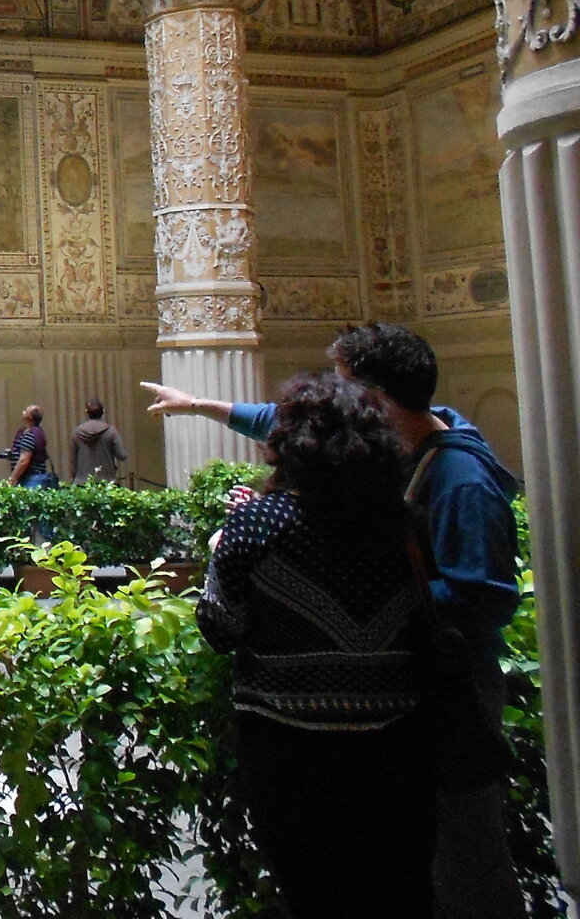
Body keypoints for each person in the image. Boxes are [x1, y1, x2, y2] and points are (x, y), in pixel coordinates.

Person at [144, 321, 524, 919]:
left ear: (374, 402)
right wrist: (197, 404)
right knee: (405, 873)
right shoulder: (387, 496)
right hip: (398, 716)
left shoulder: (458, 481)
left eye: (342, 384)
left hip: (439, 694)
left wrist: (266, 553)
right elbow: (293, 425)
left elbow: (485, 598)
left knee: (462, 861)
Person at [193, 372, 434, 919]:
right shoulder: (403, 524)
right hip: (398, 747)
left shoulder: (256, 525)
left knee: (315, 893)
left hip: (289, 750)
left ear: (289, 444)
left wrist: (219, 547)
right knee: (401, 891)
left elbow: (220, 628)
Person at [69, 399, 127, 484]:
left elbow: (73, 460)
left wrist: (74, 478)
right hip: (107, 481)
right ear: (103, 411)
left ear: (87, 412)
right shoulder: (111, 431)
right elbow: (122, 456)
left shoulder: (77, 433)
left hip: (82, 482)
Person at [0, 405, 54, 487]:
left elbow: (24, 460)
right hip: (33, 477)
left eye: (25, 411)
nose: (23, 412)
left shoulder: (30, 434)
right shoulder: (37, 432)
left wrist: (12, 478)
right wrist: (14, 454)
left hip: (30, 479)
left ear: (29, 417)